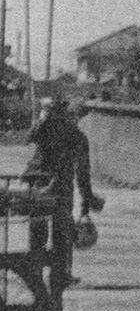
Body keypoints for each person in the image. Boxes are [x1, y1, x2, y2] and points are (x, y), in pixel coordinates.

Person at [27, 96, 83, 287]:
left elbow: (71, 160)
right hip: (40, 180)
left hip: (61, 185)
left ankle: (63, 273)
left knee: (62, 231)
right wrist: (41, 119)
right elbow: (30, 137)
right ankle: (35, 271)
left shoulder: (70, 131)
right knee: (38, 229)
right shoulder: (43, 127)